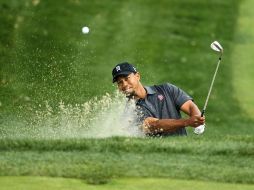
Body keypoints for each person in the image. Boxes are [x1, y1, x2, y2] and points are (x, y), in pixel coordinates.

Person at [112, 62, 205, 136]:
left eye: (127, 78)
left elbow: (189, 106)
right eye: (120, 82)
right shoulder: (129, 112)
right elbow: (154, 125)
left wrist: (199, 120)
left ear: (137, 76)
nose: (124, 84)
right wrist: (187, 122)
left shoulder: (167, 89)